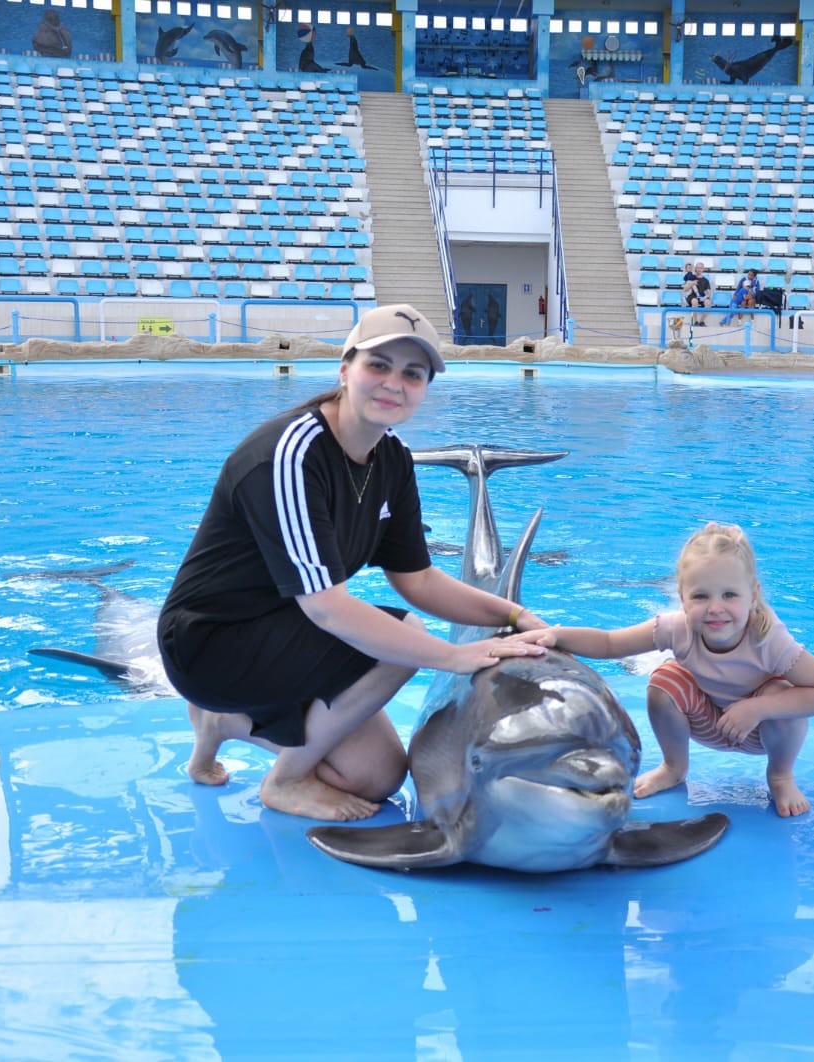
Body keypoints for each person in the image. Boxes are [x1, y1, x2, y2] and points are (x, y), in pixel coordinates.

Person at [157, 304, 550, 822]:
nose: (394, 383)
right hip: (213, 644)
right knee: (404, 643)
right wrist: (453, 656)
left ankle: (222, 723)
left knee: (377, 776)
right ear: (345, 370)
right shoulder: (290, 454)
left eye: (413, 374)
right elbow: (327, 609)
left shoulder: (392, 457)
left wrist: (515, 616)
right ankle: (286, 780)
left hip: (287, 635)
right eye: (378, 365)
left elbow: (418, 580)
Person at [512, 522, 814, 818]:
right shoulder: (678, 628)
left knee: (782, 696)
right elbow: (610, 643)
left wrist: (758, 708)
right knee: (665, 679)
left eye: (729, 594)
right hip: (709, 723)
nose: (715, 608)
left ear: (753, 595)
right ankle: (674, 766)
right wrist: (556, 635)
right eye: (700, 596)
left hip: (760, 731)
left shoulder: (769, 640)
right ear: (682, 597)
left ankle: (780, 775)